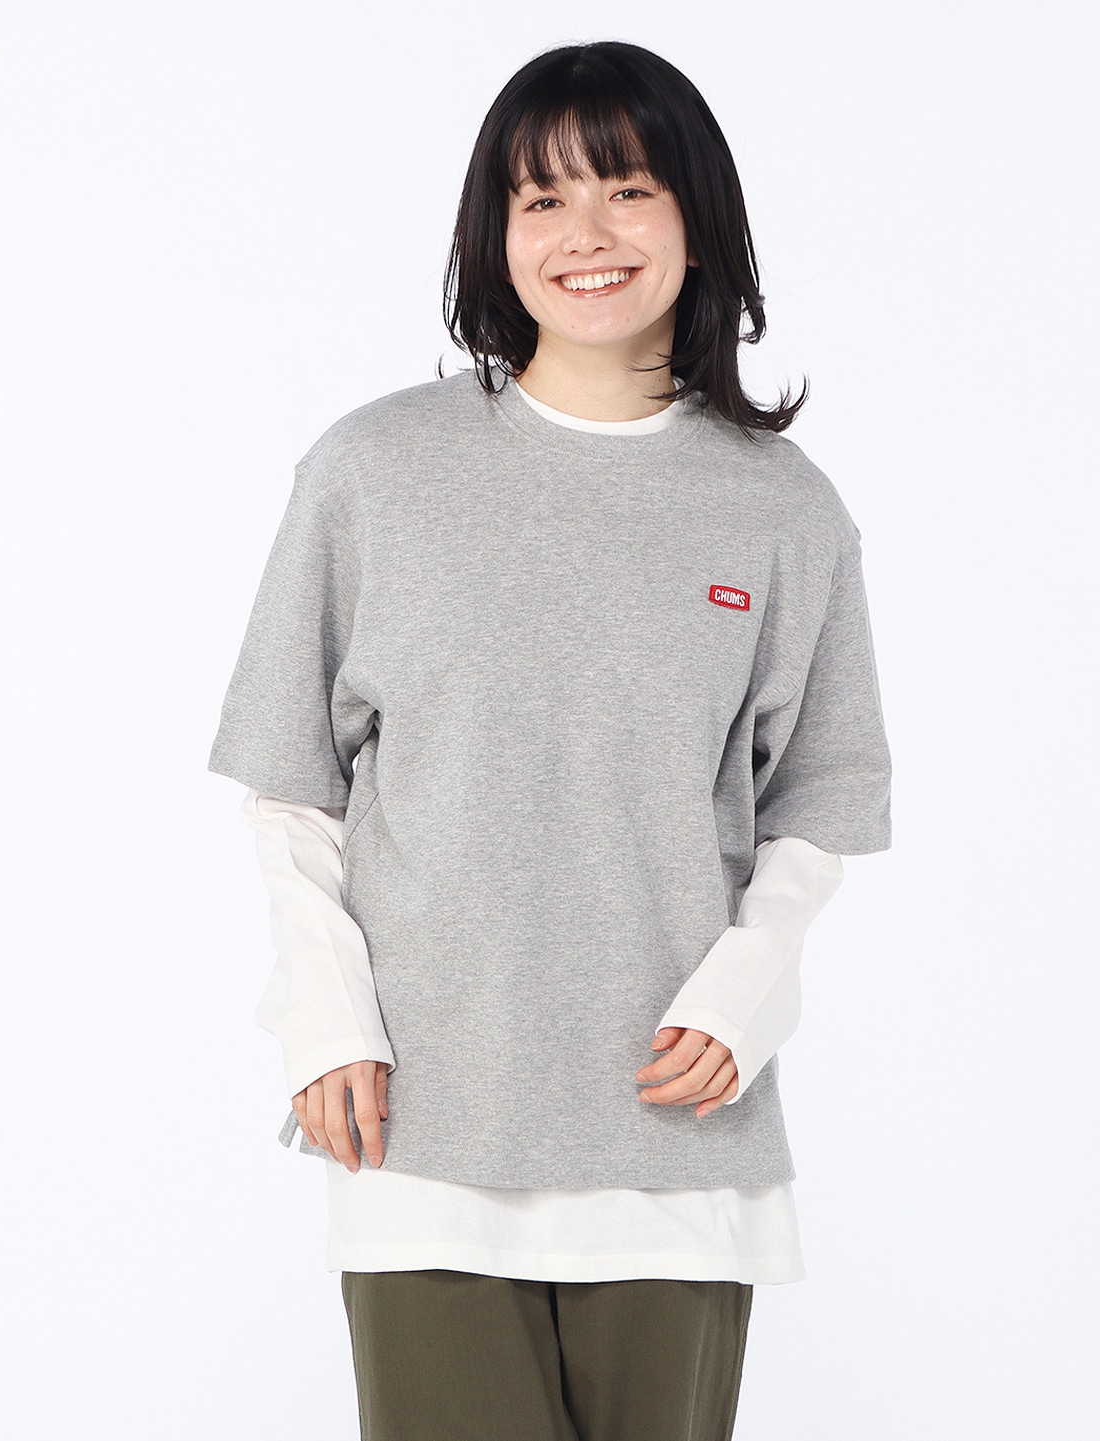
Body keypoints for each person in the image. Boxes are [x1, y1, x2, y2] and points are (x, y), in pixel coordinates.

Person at [208, 39, 891, 1441]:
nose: (587, 233)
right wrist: (324, 1020)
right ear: (495, 235)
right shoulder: (375, 469)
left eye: (627, 189)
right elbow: (292, 785)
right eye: (542, 200)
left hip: (674, 1122)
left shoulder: (783, 506)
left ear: (697, 218)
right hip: (425, 1117)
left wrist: (746, 992)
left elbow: (821, 797)